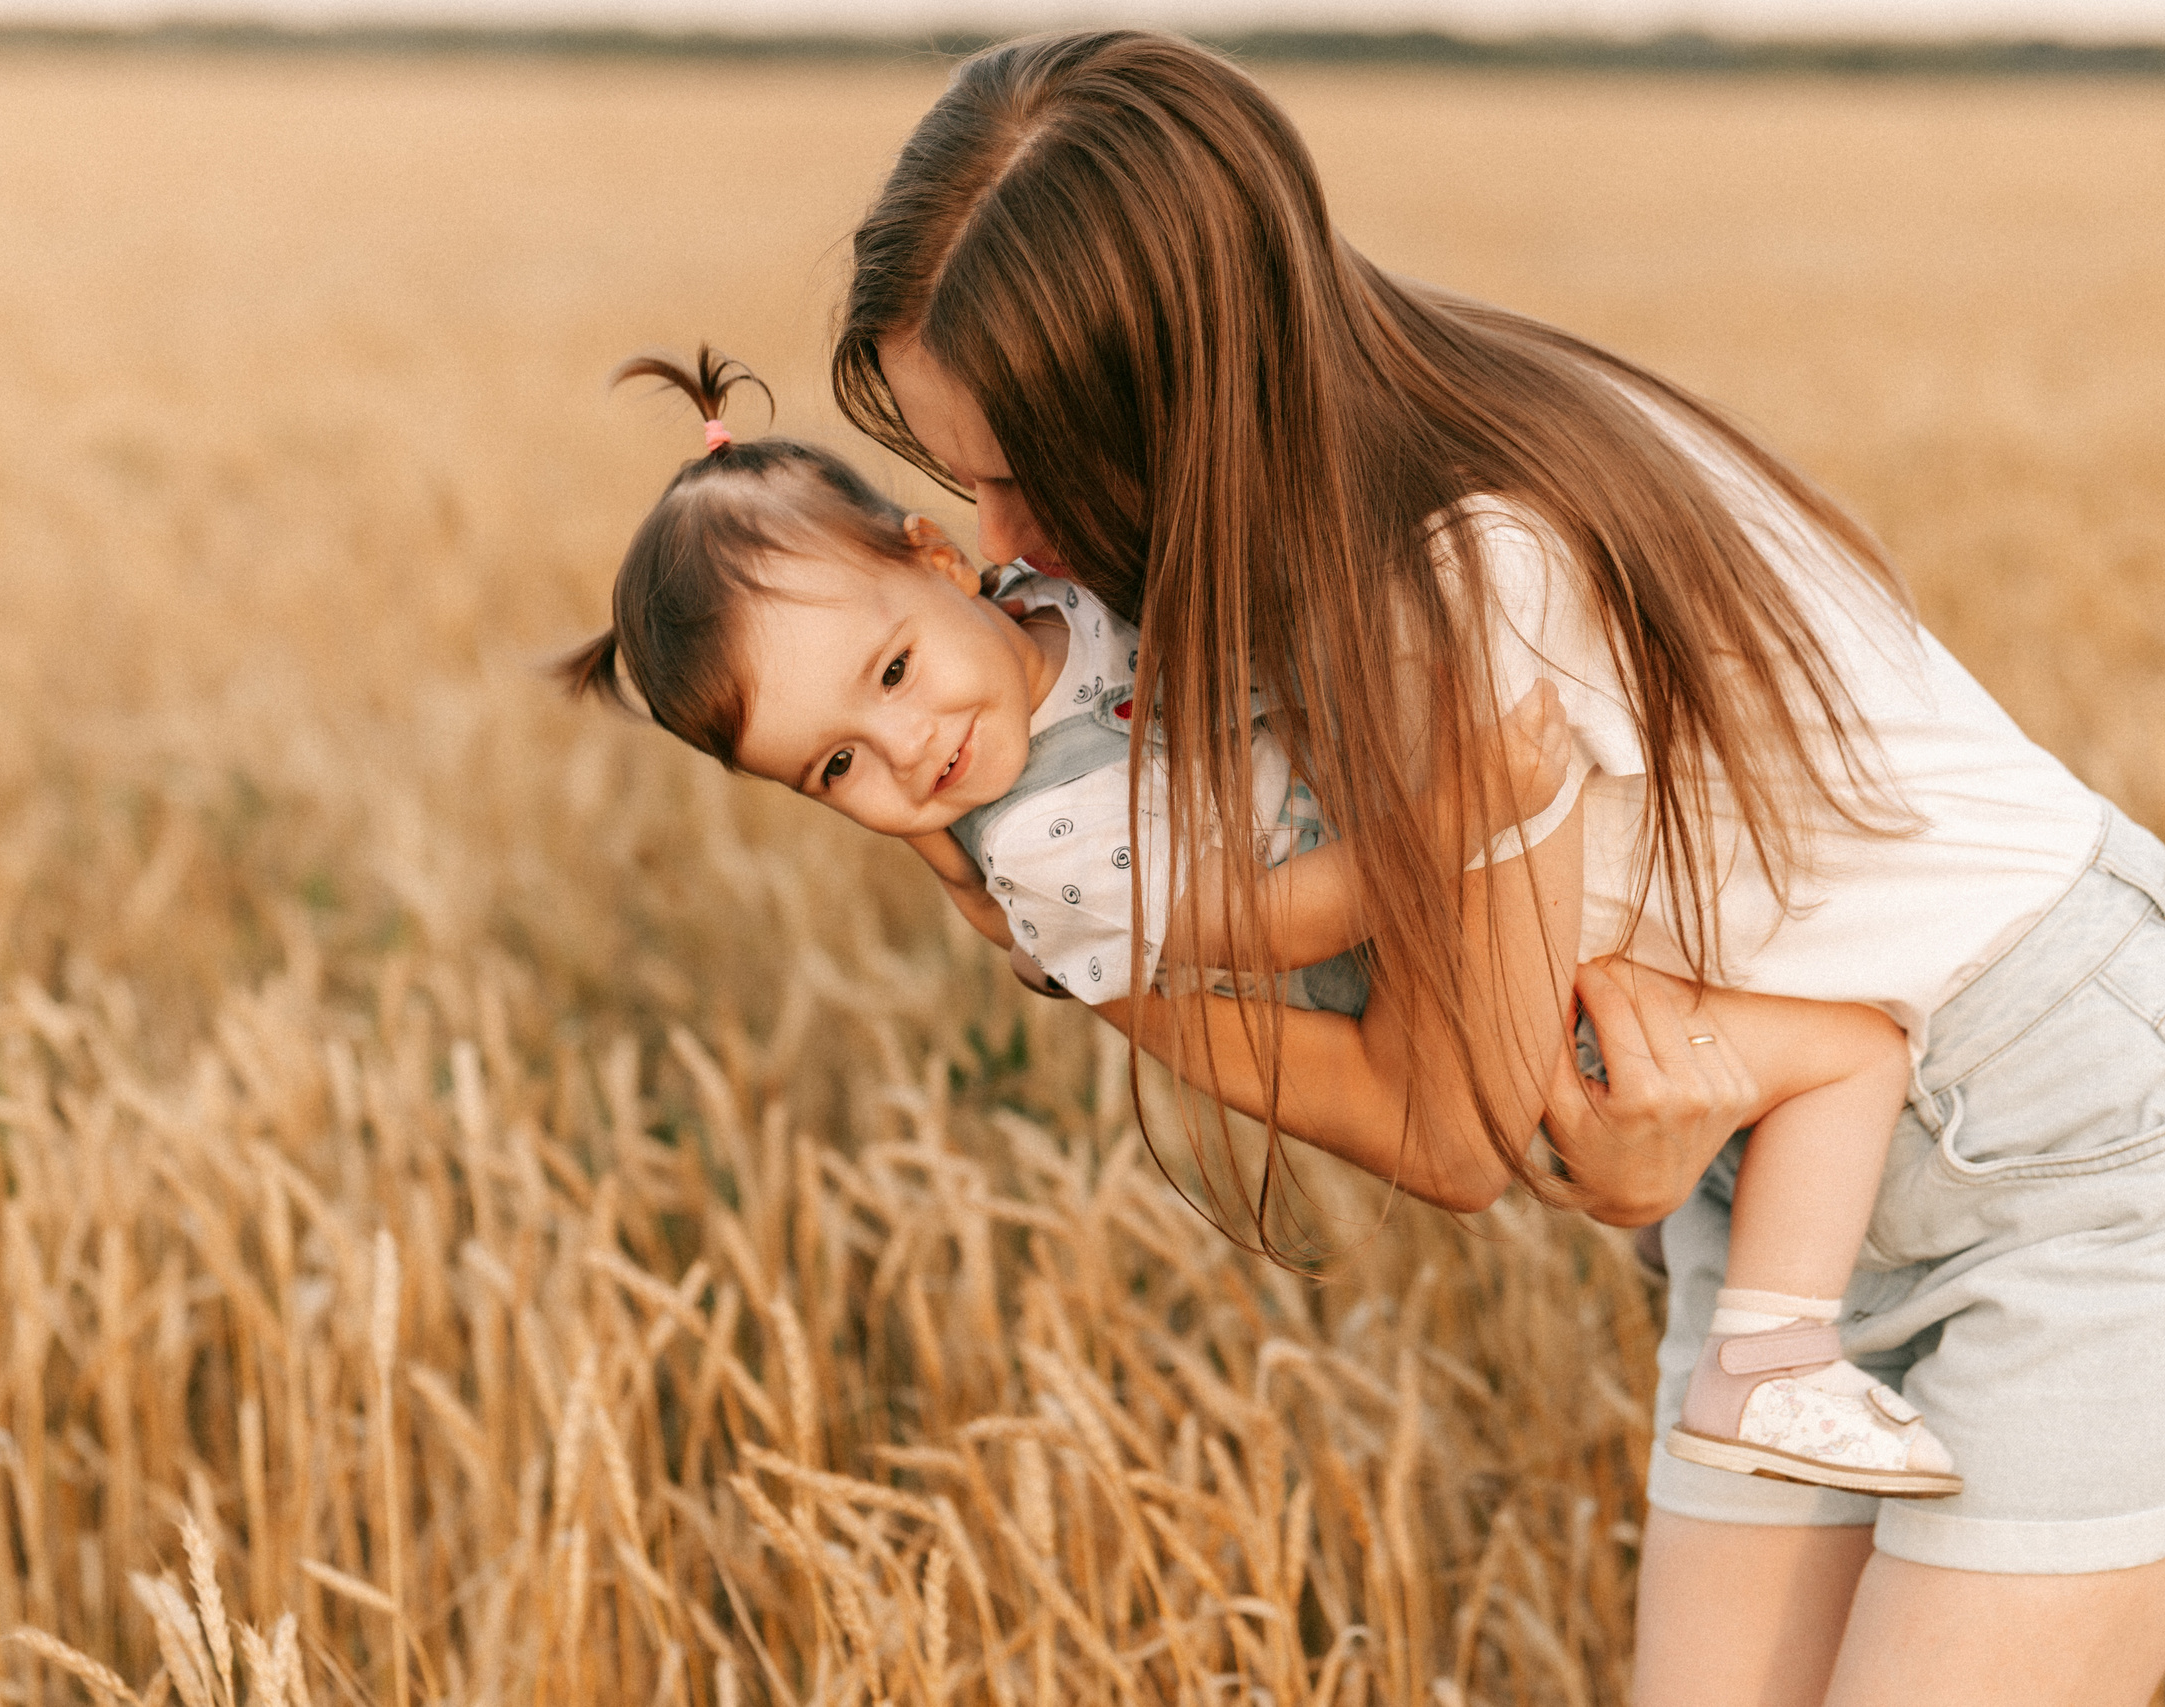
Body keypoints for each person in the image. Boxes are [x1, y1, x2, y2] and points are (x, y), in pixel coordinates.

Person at [825, 29, 2165, 1706]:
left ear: (1174, 406)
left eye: (1017, 476)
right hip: (1795, 1173)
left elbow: (1455, 1126)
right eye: (955, 481)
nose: (1000, 549)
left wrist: (1081, 954)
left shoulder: (1465, 582)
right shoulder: (1342, 490)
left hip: (2100, 1152)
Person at [563, 349, 1963, 1499]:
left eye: (889, 671)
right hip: (1490, 1009)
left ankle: (1707, 1236)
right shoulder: (1043, 849)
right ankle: (1769, 1357)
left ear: (941, 557)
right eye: (836, 768)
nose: (907, 747)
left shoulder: (1053, 605)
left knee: (1782, 1063)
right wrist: (1446, 807)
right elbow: (1266, 920)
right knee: (1851, 1051)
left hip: (1514, 952)